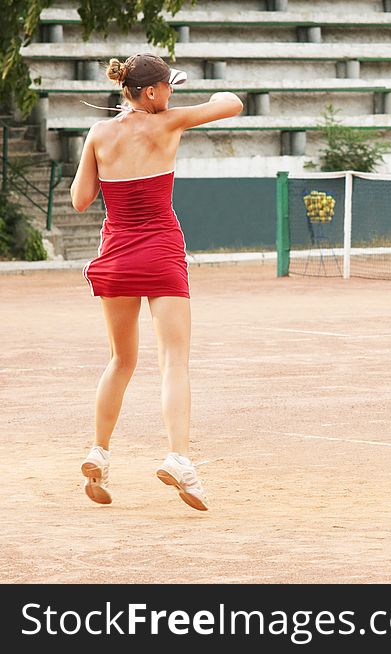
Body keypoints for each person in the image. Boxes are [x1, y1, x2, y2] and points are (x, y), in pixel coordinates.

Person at [70, 53, 243, 511]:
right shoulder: (168, 123)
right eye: (168, 87)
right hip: (161, 252)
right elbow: (232, 103)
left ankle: (99, 452)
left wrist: (106, 148)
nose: (171, 94)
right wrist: (189, 99)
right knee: (174, 362)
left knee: (120, 361)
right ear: (151, 93)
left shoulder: (99, 132)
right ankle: (179, 458)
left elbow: (81, 199)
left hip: (117, 255)